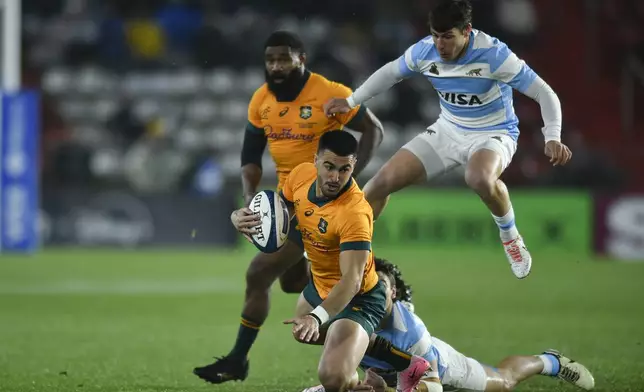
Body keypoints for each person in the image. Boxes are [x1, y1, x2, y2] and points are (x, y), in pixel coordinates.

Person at [324, 0, 572, 279]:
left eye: (448, 37)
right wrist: (352, 100)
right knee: (376, 187)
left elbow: (544, 92)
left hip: (493, 132)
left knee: (478, 178)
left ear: (466, 31)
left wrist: (552, 135)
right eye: (436, 36)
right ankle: (348, 255)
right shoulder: (424, 51)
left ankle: (511, 237)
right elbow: (390, 73)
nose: (440, 44)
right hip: (448, 130)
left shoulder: (493, 55)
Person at [193, 31, 384, 384]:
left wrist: (352, 176)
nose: (276, 66)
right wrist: (250, 200)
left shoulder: (331, 93)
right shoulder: (261, 100)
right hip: (288, 202)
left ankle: (238, 358)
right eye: (270, 60)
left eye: (284, 59)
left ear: (302, 59)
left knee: (258, 273)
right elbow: (250, 157)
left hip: (321, 204)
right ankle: (366, 292)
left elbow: (372, 129)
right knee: (291, 283)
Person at [302, 257, 596, 392]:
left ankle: (549, 362)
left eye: (381, 287)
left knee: (504, 381)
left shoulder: (410, 333)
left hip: (439, 370)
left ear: (391, 292)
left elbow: (428, 385)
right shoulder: (347, 314)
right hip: (394, 373)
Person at [281, 131, 430, 392]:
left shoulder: (355, 212)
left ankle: (346, 379)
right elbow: (279, 211)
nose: (335, 177)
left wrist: (317, 317)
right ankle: (398, 362)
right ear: (315, 160)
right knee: (302, 332)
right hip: (321, 284)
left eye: (344, 169)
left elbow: (352, 281)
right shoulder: (299, 176)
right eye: (328, 167)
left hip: (359, 296)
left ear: (354, 166)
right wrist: (244, 218)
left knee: (332, 377)